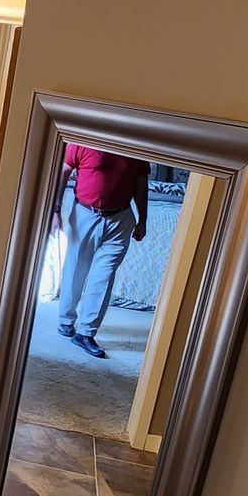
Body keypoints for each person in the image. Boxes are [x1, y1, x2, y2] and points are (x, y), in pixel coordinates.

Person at [56, 143, 149, 359]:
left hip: (120, 218)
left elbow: (140, 184)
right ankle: (66, 320)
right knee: (76, 267)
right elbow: (63, 173)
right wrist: (55, 209)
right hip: (84, 214)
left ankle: (85, 332)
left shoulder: (137, 146)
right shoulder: (85, 139)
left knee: (104, 276)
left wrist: (143, 218)